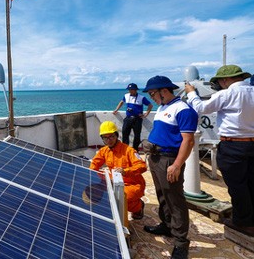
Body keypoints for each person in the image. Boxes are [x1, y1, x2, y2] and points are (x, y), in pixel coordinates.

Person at [185, 64, 254, 237]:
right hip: (252, 145)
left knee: (237, 186)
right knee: (251, 184)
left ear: (225, 80)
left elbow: (201, 108)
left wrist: (191, 93)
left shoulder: (227, 94)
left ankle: (243, 222)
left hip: (233, 147)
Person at [141, 75, 198, 259]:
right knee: (162, 195)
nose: (151, 98)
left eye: (152, 94)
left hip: (168, 160)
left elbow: (188, 141)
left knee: (175, 200)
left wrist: (176, 165)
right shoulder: (163, 107)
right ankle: (166, 225)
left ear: (163, 91)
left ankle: (181, 242)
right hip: (156, 158)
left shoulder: (183, 110)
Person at [90, 121, 147, 219]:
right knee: (103, 195)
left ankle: (138, 206)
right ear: (102, 139)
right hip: (115, 182)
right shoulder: (104, 151)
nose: (109, 140)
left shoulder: (129, 150)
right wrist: (94, 179)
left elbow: (142, 166)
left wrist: (125, 171)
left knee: (122, 198)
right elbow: (94, 165)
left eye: (111, 136)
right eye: (105, 137)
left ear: (116, 136)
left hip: (133, 184)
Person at [113, 83, 153, 150]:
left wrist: (146, 114)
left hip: (137, 119)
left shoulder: (141, 97)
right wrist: (116, 110)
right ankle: (125, 149)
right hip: (128, 118)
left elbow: (150, 105)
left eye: (132, 89)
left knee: (137, 135)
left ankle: (135, 149)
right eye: (129, 89)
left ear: (135, 90)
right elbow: (121, 102)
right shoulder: (126, 96)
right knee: (125, 134)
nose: (130, 91)